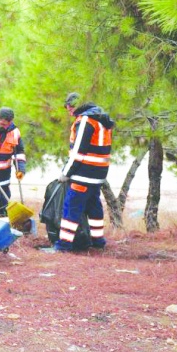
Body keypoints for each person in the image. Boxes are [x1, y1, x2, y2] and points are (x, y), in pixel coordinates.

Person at [55, 92, 114, 251]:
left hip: (83, 174)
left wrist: (65, 173)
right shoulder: (101, 119)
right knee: (94, 207)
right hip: (98, 175)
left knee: (71, 208)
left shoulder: (86, 121)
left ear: (75, 105)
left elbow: (78, 152)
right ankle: (98, 242)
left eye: (68, 106)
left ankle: (63, 245)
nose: (67, 109)